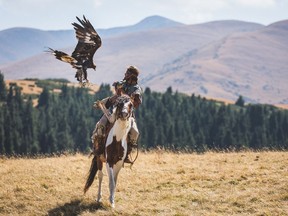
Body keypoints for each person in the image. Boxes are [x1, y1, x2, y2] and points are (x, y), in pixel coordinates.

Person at [91, 65, 142, 163]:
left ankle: (126, 153)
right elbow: (114, 97)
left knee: (135, 133)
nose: (125, 74)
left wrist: (133, 99)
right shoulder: (121, 84)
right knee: (101, 124)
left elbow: (136, 104)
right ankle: (100, 148)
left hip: (128, 115)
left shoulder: (137, 89)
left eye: (127, 73)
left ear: (132, 75)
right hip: (115, 111)